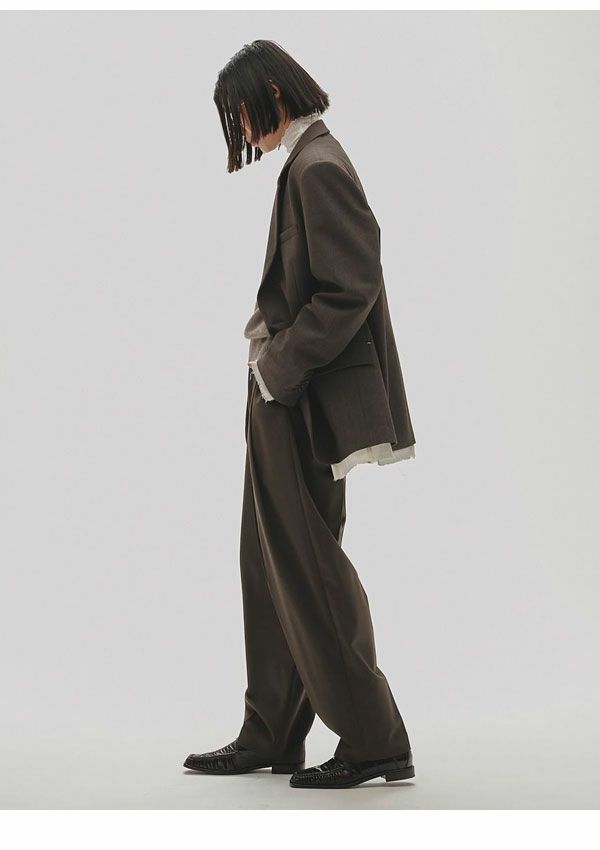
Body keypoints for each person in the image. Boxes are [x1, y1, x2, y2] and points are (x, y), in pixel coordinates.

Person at [184, 40, 417, 789]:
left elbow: (351, 286)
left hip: (299, 398)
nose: (239, 128)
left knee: (308, 566)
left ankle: (375, 739)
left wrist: (277, 371)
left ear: (275, 95)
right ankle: (272, 733)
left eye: (241, 112)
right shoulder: (306, 163)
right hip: (283, 395)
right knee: (268, 562)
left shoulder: (319, 166)